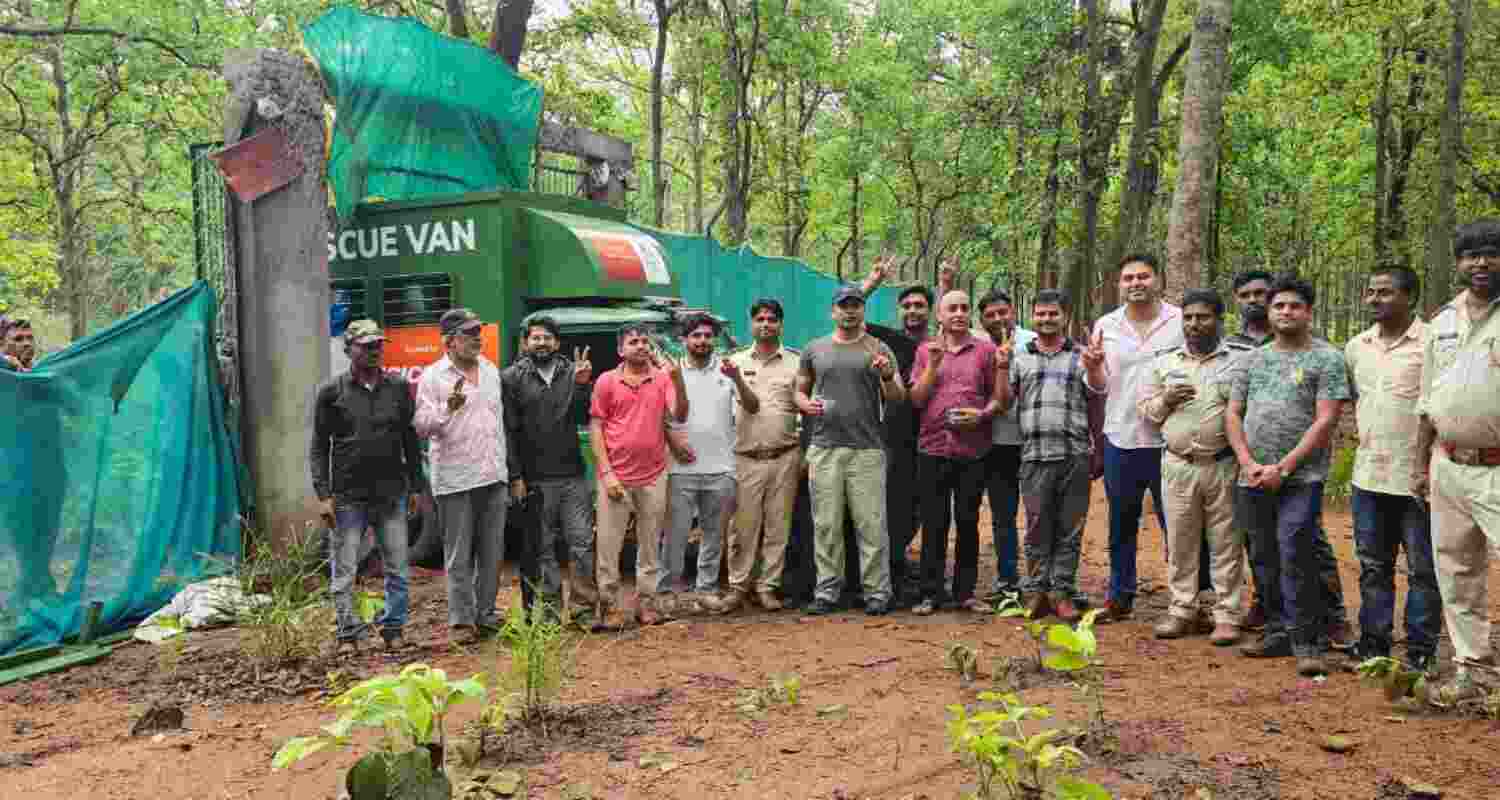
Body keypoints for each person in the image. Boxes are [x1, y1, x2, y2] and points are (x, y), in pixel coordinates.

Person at [1226, 276, 1351, 677]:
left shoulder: (1327, 358)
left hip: (1301, 477)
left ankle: (1307, 640)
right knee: (1262, 554)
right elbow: (1233, 413)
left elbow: (1327, 418)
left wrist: (1285, 467)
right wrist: (1247, 462)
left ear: (1308, 312)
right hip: (1253, 476)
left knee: (1295, 550)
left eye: (1294, 306)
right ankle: (1277, 630)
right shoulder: (1253, 359)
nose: (1285, 312)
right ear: (1270, 312)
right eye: (1278, 306)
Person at [1416, 218, 1500, 700]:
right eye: (1471, 255)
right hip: (1447, 463)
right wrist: (1417, 463)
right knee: (1456, 567)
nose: (1481, 262)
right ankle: (1474, 670)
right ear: (1459, 263)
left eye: (1491, 252)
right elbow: (1428, 398)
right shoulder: (1442, 320)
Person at [1138, 290, 1251, 645]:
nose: (1194, 324)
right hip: (1177, 464)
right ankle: (1181, 609)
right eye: (1188, 318)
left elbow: (1249, 411)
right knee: (1181, 540)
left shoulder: (1239, 361)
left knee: (1226, 543)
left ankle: (1227, 614)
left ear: (1219, 319)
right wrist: (1166, 399)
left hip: (1223, 465)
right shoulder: (1164, 362)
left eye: (1202, 317)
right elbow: (1147, 412)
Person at [1344, 265, 1440, 670]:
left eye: (1385, 292)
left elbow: (1437, 409)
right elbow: (1355, 398)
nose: (1374, 299)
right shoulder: (1356, 346)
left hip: (1419, 477)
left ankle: (1420, 650)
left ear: (1409, 298)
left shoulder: (1433, 342)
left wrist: (1426, 467)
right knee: (1373, 565)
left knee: (1423, 568)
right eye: (1370, 292)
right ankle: (1373, 643)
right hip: (1368, 475)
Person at [995, 289, 1108, 621]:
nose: (1046, 319)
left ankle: (1060, 591)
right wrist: (1001, 368)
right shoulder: (1019, 356)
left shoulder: (1081, 354)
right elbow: (1003, 402)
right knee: (1036, 526)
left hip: (1074, 454)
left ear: (1065, 316)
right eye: (1040, 313)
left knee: (1069, 529)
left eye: (1053, 314)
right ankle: (1035, 591)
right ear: (1032, 315)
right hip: (1033, 455)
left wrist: (1096, 367)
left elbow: (1099, 391)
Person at [310, 320, 421, 653]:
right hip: (347, 497)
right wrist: (323, 495)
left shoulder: (398, 387)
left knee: (398, 567)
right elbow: (319, 445)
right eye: (366, 346)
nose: (375, 351)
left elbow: (409, 439)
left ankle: (393, 629)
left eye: (378, 345)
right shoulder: (331, 392)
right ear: (349, 350)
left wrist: (416, 486)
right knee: (344, 570)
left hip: (391, 493)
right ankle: (347, 634)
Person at [796, 285, 905, 616]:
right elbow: (798, 391)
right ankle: (827, 591)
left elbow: (897, 395)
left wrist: (886, 375)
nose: (850, 311)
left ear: (863, 310)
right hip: (824, 447)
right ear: (833, 311)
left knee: (870, 524)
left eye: (856, 305)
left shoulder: (878, 347)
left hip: (867, 448)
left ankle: (877, 592)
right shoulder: (814, 349)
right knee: (826, 524)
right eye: (844, 305)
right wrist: (806, 405)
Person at [415, 308, 519, 646]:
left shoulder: (490, 371)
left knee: (492, 552)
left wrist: (508, 471)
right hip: (456, 478)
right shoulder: (433, 377)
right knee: (459, 553)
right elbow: (421, 426)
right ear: (449, 342)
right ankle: (461, 621)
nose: (478, 338)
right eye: (469, 334)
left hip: (492, 475)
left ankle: (485, 614)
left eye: (479, 332)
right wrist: (449, 408)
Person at [1091, 254, 1183, 622]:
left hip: (1171, 441)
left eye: (1143, 276)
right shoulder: (1106, 325)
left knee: (1176, 523)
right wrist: (1093, 368)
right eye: (1128, 278)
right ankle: (1120, 594)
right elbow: (1099, 386)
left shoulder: (1179, 321)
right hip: (1121, 437)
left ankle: (1187, 598)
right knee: (1121, 523)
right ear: (1120, 284)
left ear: (1157, 279)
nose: (1136, 283)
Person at [588, 323, 689, 629]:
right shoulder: (607, 381)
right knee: (608, 546)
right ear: (621, 349)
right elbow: (596, 427)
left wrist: (678, 379)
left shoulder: (662, 379)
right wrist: (607, 474)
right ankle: (609, 607)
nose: (641, 346)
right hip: (615, 477)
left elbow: (680, 414)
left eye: (645, 341)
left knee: (649, 545)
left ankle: (646, 603)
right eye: (634, 341)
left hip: (654, 475)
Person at [501, 314, 599, 627]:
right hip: (535, 480)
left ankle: (583, 610)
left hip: (572, 476)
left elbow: (584, 417)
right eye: (535, 338)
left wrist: (583, 386)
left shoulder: (574, 372)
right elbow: (508, 431)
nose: (541, 343)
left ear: (557, 342)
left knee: (582, 542)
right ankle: (552, 614)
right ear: (526, 342)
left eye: (547, 338)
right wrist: (515, 476)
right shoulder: (512, 378)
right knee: (542, 550)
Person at [659, 314, 759, 614]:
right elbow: (661, 417)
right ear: (684, 341)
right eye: (696, 336)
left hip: (722, 468)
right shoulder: (670, 372)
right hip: (680, 470)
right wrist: (675, 443)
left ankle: (705, 590)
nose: (702, 341)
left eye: (707, 336)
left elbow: (753, 407)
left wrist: (737, 378)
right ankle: (667, 592)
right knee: (675, 536)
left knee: (713, 535)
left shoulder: (727, 369)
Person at [909, 290, 999, 614]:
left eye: (964, 308)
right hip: (932, 449)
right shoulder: (925, 351)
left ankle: (965, 593)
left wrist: (982, 415)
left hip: (973, 450)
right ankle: (930, 593)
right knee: (934, 522)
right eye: (952, 308)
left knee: (967, 520)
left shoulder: (985, 351)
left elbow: (998, 398)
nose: (959, 313)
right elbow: (917, 399)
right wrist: (933, 365)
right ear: (940, 316)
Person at [718, 299, 800, 613]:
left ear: (781, 324)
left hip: (785, 455)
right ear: (751, 324)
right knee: (742, 527)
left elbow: (805, 409)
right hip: (745, 457)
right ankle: (738, 587)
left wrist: (803, 452)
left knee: (778, 526)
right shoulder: (733, 363)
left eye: (772, 319)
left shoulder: (796, 362)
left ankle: (768, 587)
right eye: (760, 319)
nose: (765, 324)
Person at [978, 290, 1037, 600]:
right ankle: (1008, 581)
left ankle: (1043, 582)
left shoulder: (1033, 340)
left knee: (1039, 515)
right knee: (1003, 516)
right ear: (982, 320)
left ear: (1013, 310)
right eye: (990, 315)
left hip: (1033, 442)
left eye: (1003, 312)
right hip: (996, 443)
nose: (998, 319)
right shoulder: (977, 347)